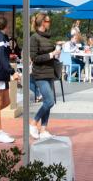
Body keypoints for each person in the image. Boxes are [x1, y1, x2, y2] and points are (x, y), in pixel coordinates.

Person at [29, 12, 58, 140]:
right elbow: (34, 58)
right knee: (49, 101)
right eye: (48, 21)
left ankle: (44, 129)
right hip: (40, 73)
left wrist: (56, 53)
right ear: (42, 23)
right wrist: (51, 55)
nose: (49, 23)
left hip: (50, 71)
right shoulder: (34, 38)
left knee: (48, 102)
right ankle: (34, 123)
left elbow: (50, 53)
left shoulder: (47, 37)